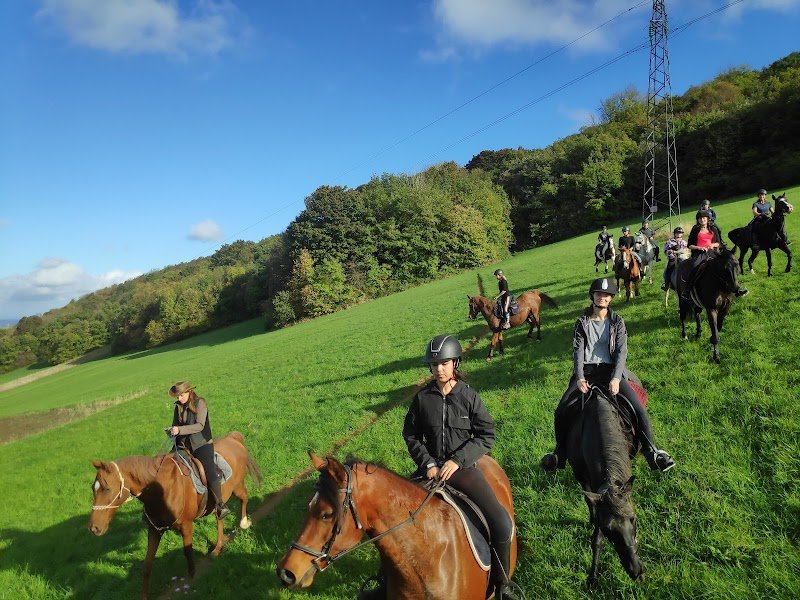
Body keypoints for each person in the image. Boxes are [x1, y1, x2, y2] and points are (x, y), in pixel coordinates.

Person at [403, 335, 518, 599]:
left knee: (500, 521)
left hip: (463, 470)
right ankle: (386, 583)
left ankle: (503, 585)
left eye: (444, 363)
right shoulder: (422, 399)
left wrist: (458, 460)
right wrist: (428, 462)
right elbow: (411, 436)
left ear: (455, 362)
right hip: (429, 471)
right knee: (396, 520)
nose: (438, 368)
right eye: (434, 364)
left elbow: (486, 435)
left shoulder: (469, 397)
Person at [539, 278, 675, 473]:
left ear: (611, 298)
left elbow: (621, 351)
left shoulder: (617, 321)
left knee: (638, 408)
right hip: (586, 372)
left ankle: (652, 452)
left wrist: (616, 378)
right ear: (592, 296)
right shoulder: (582, 322)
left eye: (606, 295)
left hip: (610, 371)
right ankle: (559, 454)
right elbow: (578, 351)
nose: (602, 297)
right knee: (561, 410)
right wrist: (579, 377)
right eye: (598, 294)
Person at [167, 381, 230, 519]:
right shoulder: (178, 407)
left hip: (201, 444)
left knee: (209, 470)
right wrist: (172, 430)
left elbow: (200, 425)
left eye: (181, 395)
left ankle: (220, 505)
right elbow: (175, 425)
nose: (179, 399)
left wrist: (180, 430)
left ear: (189, 392)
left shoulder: (200, 403)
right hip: (183, 445)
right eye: (177, 396)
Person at [661, 227, 688, 291]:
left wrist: (680, 252)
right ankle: (666, 284)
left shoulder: (684, 242)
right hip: (673, 258)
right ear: (675, 234)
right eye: (677, 233)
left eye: (680, 233)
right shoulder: (669, 242)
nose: (679, 234)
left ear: (682, 234)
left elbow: (686, 250)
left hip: (683, 256)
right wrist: (670, 253)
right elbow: (665, 251)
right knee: (669, 268)